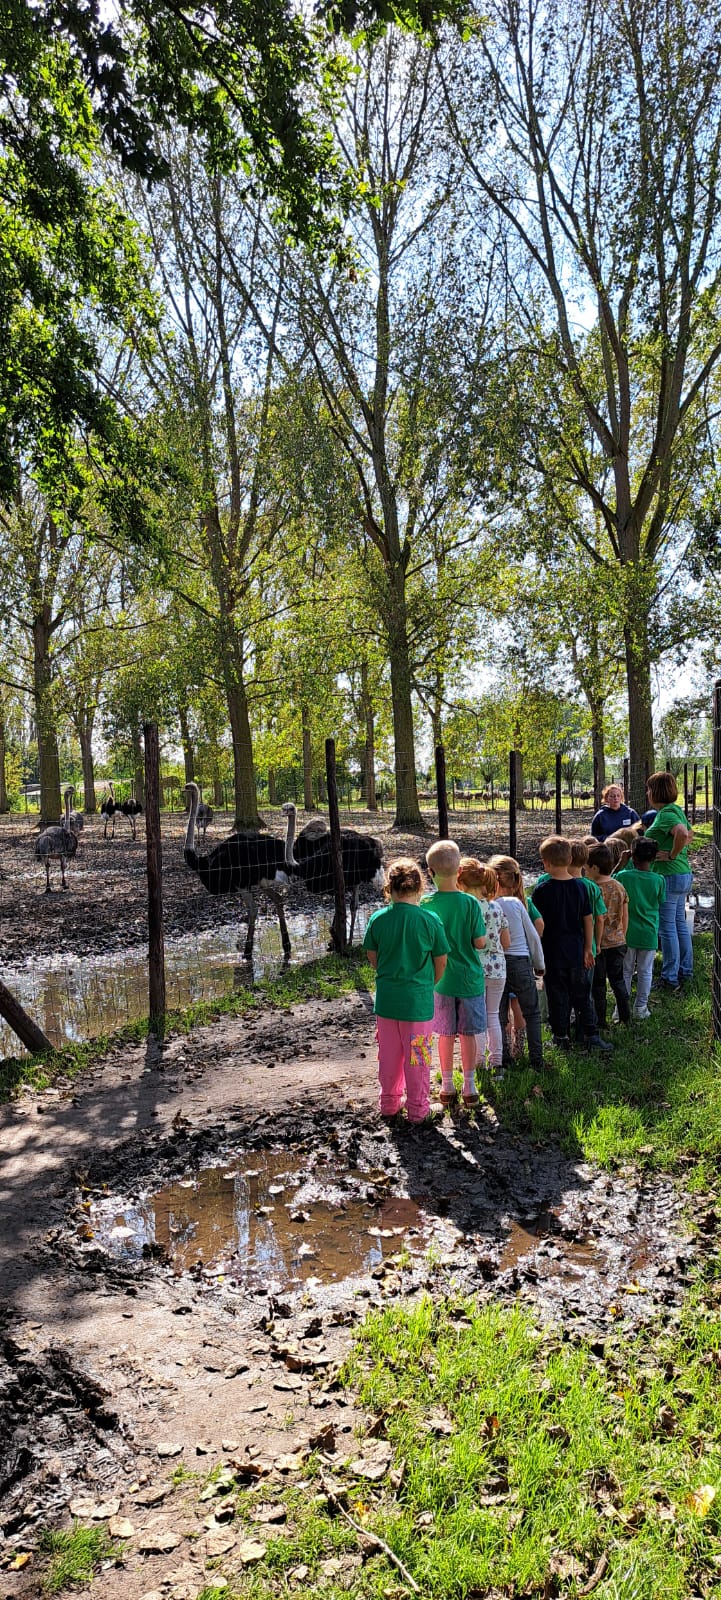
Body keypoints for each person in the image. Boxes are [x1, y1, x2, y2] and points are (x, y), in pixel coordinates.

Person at [362, 857, 449, 1123]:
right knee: (418, 1057)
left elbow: (372, 954)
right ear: (420, 886)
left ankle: (388, 1103)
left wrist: (388, 974)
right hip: (418, 1006)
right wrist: (427, 983)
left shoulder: (378, 919)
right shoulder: (429, 920)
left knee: (388, 1055)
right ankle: (418, 1108)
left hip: (387, 1003)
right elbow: (441, 961)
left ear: (389, 887)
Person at [421, 839, 487, 1108]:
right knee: (468, 1034)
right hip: (469, 979)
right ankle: (469, 1086)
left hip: (440, 981)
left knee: (445, 1034)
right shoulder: (471, 904)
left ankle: (447, 1085)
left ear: (430, 872)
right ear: (459, 871)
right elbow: (480, 942)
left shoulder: (425, 903)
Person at [532, 836, 612, 1053]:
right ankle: (592, 1035)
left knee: (557, 997)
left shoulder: (541, 890)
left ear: (545, 863)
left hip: (553, 953)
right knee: (582, 995)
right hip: (577, 951)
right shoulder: (581, 887)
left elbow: (537, 924)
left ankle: (561, 1036)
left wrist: (536, 953)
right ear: (570, 860)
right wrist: (589, 947)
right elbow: (589, 919)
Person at [488, 854, 545, 1071]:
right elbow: (533, 935)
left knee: (499, 1014)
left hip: (496, 965)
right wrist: (539, 963)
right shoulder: (516, 903)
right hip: (520, 962)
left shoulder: (487, 906)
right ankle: (536, 1060)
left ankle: (502, 1059)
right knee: (532, 1012)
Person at [457, 858, 511, 1072]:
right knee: (493, 1016)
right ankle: (496, 1061)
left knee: (476, 1018)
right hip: (498, 969)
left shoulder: (466, 908)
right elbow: (506, 942)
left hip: (475, 969)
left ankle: (477, 1061)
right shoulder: (496, 907)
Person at [644, 771, 694, 990]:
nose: (647, 793)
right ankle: (685, 970)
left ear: (656, 791)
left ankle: (669, 978)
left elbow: (683, 834)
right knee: (679, 925)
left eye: (649, 789)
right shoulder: (675, 810)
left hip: (670, 875)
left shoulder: (666, 813)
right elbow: (690, 835)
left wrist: (671, 854)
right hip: (682, 874)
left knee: (667, 928)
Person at [616, 837, 666, 1018]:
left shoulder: (622, 876)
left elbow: (609, 882)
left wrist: (622, 863)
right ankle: (640, 1008)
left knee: (626, 971)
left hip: (627, 932)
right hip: (649, 933)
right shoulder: (659, 880)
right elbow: (660, 901)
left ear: (632, 857)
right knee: (645, 971)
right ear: (654, 858)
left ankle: (620, 1008)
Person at [586, 843, 631, 1026]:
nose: (584, 871)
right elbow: (625, 915)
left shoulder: (591, 889)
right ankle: (625, 1017)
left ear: (595, 868)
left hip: (599, 945)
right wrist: (622, 935)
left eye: (586, 867)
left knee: (598, 985)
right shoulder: (619, 886)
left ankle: (601, 1020)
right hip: (618, 942)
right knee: (618, 981)